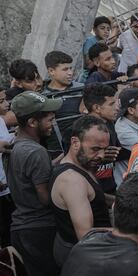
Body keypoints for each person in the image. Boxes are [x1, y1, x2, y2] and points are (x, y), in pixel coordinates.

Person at [8, 91, 62, 276]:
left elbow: (27, 176)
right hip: (40, 230)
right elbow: (46, 198)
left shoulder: (16, 145)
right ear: (32, 122)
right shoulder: (36, 152)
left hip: (22, 228)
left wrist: (57, 163)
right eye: (49, 119)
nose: (53, 125)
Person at [50, 116, 112, 267]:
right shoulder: (72, 180)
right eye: (96, 149)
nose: (102, 156)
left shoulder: (82, 165)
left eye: (105, 149)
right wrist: (128, 232)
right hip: (85, 258)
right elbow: (86, 235)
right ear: (75, 142)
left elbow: (93, 196)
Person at [83, 83, 130, 192]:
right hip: (91, 191)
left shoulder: (109, 123)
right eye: (112, 104)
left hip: (111, 185)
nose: (117, 108)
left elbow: (118, 151)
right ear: (97, 108)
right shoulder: (79, 131)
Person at [43, 50, 83, 156]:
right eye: (65, 69)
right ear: (51, 71)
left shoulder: (81, 89)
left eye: (70, 68)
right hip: (57, 151)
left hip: (83, 147)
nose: (70, 72)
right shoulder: (43, 97)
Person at [78, 16, 111, 83]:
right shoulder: (90, 41)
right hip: (88, 78)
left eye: (108, 29)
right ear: (94, 30)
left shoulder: (105, 43)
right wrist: (99, 48)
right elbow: (88, 65)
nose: (106, 31)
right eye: (102, 28)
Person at [0, 88, 14, 248]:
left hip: (7, 188)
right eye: (1, 101)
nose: (6, 104)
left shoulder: (2, 121)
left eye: (5, 99)